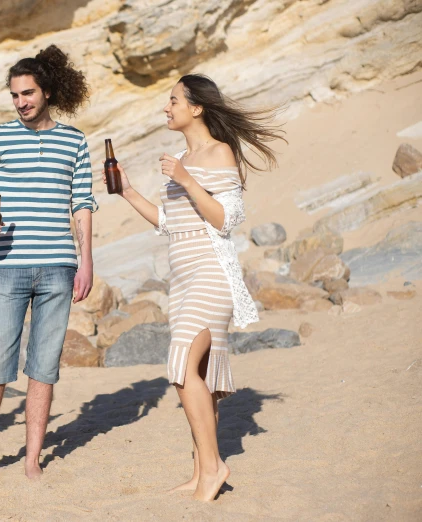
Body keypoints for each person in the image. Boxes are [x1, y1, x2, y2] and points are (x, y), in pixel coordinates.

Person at [105, 74, 284, 501]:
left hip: (210, 272)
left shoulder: (218, 153)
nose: (166, 108)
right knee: (197, 375)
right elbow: (171, 223)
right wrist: (128, 191)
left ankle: (214, 467)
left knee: (183, 367)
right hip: (181, 277)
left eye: (173, 101)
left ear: (196, 107)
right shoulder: (186, 156)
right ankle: (200, 471)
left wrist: (186, 179)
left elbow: (225, 219)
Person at [0, 45, 98, 494]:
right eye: (15, 95)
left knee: (44, 368)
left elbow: (82, 204)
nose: (21, 102)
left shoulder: (75, 141)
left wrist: (87, 260)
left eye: (28, 93)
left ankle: (32, 462)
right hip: (10, 266)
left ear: (47, 92)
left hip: (59, 265)